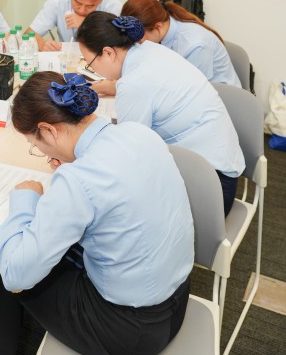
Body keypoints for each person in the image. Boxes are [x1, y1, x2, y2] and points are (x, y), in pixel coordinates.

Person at [0, 71, 194, 355]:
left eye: (35, 145)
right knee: (42, 248)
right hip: (177, 301)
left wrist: (25, 201)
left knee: (5, 259)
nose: (43, 155)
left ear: (48, 130)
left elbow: (16, 273)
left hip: (129, 333)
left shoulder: (78, 180)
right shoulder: (139, 133)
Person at [75, 13, 245, 217]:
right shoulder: (150, 50)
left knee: (105, 206)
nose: (92, 69)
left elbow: (129, 154)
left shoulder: (133, 84)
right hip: (219, 166)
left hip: (209, 190)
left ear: (109, 53)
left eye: (90, 63)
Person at [122, 0, 241, 87]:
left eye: (138, 36)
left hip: (222, 101)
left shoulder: (195, 46)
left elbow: (191, 92)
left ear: (157, 27)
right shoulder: (161, 32)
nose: (135, 41)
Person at [25, 0, 122, 51]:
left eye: (90, 6)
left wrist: (88, 25)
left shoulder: (112, 6)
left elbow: (119, 44)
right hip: (66, 58)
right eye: (77, 3)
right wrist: (42, 44)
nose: (81, 10)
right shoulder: (58, 1)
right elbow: (28, 34)